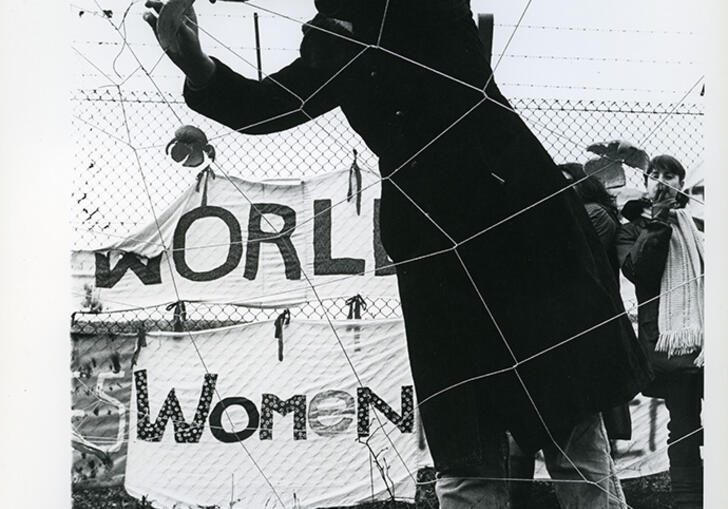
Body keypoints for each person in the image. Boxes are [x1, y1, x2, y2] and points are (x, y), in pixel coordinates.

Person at [143, 1, 652, 507]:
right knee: (465, 440)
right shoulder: (336, 43)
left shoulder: (424, 12)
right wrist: (198, 67)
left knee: (569, 424)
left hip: (519, 232)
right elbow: (270, 105)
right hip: (437, 253)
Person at [508, 162, 630, 509]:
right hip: (560, 345)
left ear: (583, 186)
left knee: (584, 450)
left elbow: (562, 263)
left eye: (565, 184)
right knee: (579, 450)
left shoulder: (591, 216)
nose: (557, 193)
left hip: (577, 344)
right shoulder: (566, 218)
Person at [616, 154, 704, 509]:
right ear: (647, 182)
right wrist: (661, 219)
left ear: (682, 184)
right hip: (671, 347)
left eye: (672, 175)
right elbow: (640, 270)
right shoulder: (632, 228)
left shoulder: (697, 225)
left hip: (709, 342)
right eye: (656, 174)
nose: (663, 180)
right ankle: (689, 501)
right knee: (684, 426)